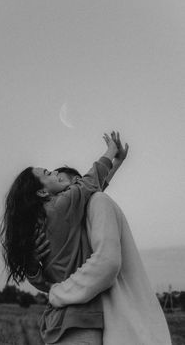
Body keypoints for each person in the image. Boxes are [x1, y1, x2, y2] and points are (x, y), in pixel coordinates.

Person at [31, 139, 172, 345]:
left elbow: (93, 189)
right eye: (52, 176)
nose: (57, 181)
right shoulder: (65, 218)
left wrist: (52, 287)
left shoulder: (86, 206)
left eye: (62, 179)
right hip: (73, 320)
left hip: (77, 319)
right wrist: (40, 275)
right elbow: (91, 188)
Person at [0, 131, 120, 344]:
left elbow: (40, 281)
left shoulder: (37, 222)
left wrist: (33, 267)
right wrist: (111, 151)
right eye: (48, 173)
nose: (54, 173)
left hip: (56, 321)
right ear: (42, 192)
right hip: (81, 322)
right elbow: (90, 183)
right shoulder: (59, 207)